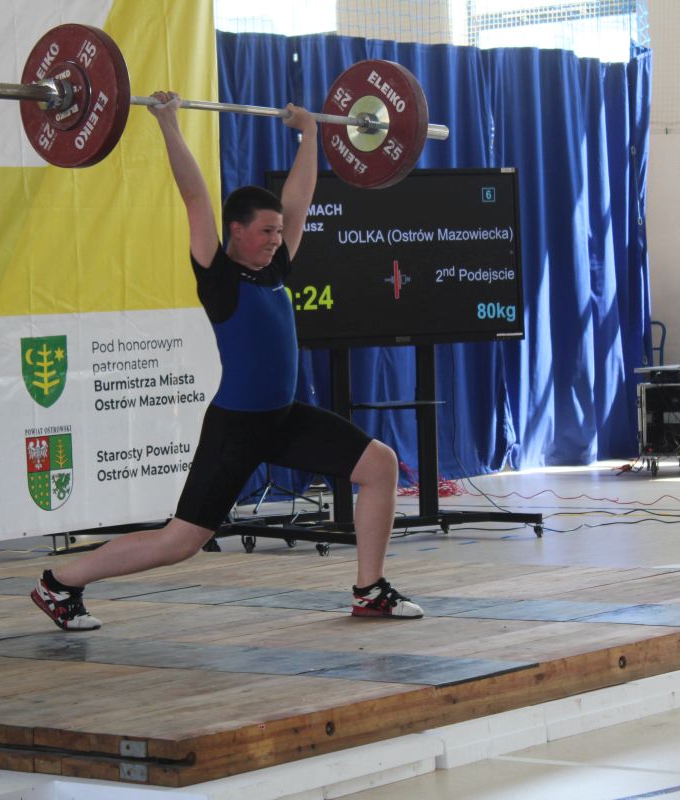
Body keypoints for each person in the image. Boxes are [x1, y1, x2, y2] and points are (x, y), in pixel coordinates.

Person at [30, 91, 423, 631]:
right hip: (235, 430)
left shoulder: (275, 269)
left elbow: (299, 199)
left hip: (283, 420)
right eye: (266, 232)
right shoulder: (218, 277)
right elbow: (195, 196)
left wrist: (310, 134)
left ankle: (369, 589)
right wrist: (168, 122)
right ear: (236, 231)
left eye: (278, 232)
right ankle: (60, 583)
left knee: (379, 465)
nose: (276, 240)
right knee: (181, 541)